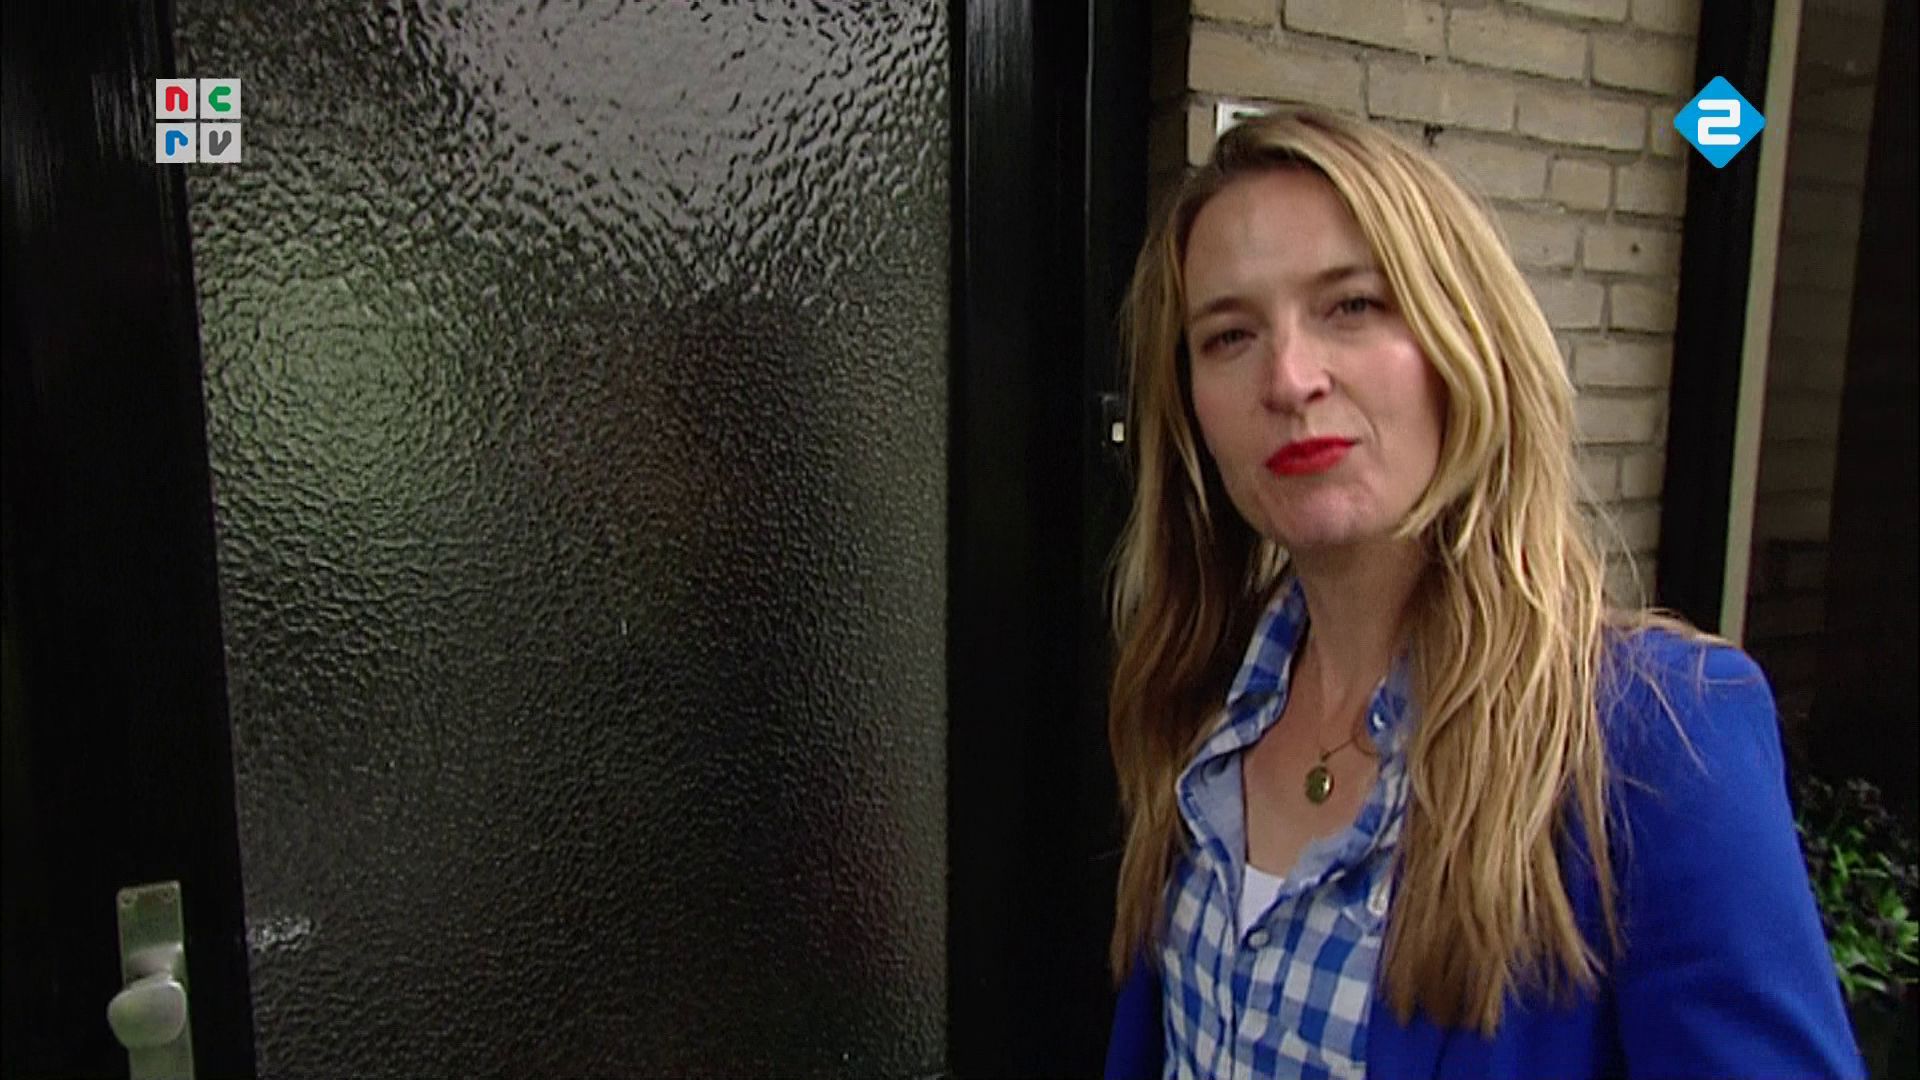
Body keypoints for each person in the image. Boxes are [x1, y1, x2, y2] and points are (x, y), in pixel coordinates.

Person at [1100, 107, 1861, 1079]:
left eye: (1353, 306)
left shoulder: (1653, 738)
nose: (1289, 379)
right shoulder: (1201, 702)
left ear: (1466, 341)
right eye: (1229, 335)